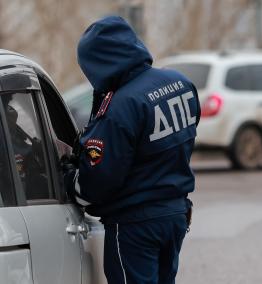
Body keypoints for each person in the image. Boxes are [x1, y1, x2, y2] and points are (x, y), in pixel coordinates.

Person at [71, 16, 200, 284]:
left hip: (135, 226)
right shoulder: (180, 83)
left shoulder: (120, 107)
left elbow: (98, 180)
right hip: (175, 215)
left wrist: (68, 179)